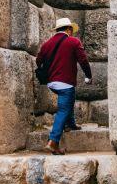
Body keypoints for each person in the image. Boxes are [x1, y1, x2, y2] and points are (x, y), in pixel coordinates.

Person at [36, 18, 92, 155]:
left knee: (68, 100)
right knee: (63, 109)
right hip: (65, 83)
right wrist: (88, 76)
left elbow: (39, 61)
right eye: (71, 30)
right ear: (69, 29)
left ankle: (70, 124)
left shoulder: (47, 44)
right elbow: (83, 60)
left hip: (51, 83)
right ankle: (53, 141)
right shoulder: (73, 42)